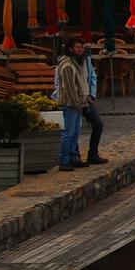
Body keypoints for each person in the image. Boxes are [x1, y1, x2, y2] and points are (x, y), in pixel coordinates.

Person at [54, 39, 90, 171]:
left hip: (76, 103)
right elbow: (69, 88)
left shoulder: (74, 63)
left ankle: (74, 157)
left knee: (75, 132)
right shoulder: (67, 65)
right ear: (70, 49)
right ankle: (64, 160)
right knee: (69, 133)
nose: (81, 50)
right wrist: (77, 104)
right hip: (70, 103)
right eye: (78, 47)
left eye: (82, 47)